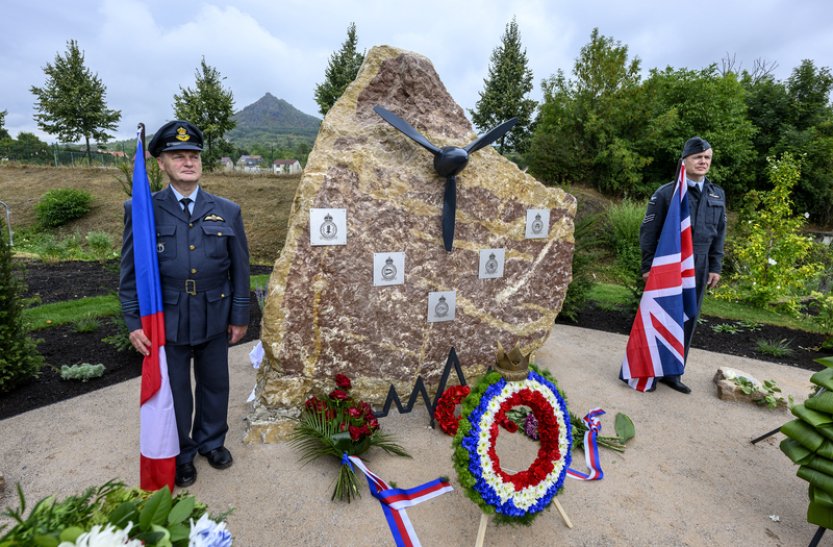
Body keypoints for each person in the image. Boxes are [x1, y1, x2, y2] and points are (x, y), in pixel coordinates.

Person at [119, 120, 250, 487]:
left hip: (214, 312)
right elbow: (132, 270)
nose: (188, 162)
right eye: (178, 156)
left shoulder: (227, 210)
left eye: (194, 155)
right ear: (161, 163)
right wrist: (133, 322)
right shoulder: (142, 210)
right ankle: (183, 451)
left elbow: (241, 268)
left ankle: (211, 441)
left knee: (215, 383)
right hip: (169, 318)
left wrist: (240, 314)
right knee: (175, 389)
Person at [639, 136, 726, 394]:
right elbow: (648, 232)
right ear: (684, 160)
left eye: (707, 157)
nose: (703, 162)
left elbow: (719, 233)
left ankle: (673, 372)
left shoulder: (716, 194)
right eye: (697, 157)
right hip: (668, 264)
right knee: (661, 316)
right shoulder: (667, 193)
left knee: (688, 317)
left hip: (698, 266)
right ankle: (650, 369)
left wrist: (715, 266)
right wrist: (647, 266)